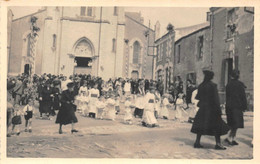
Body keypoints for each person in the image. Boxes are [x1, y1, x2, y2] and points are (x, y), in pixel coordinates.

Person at [191, 69, 229, 150]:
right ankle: (218, 144)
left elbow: (198, 97)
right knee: (217, 126)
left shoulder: (201, 85)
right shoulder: (213, 85)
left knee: (200, 125)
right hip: (212, 109)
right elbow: (216, 99)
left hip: (203, 108)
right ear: (210, 77)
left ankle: (197, 142)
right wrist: (219, 110)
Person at [225, 70, 247, 146]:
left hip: (229, 107)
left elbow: (227, 97)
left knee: (232, 123)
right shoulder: (240, 84)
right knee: (236, 124)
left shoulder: (228, 85)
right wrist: (244, 107)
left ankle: (231, 138)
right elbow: (243, 97)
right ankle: (230, 138)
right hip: (237, 107)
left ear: (231, 76)